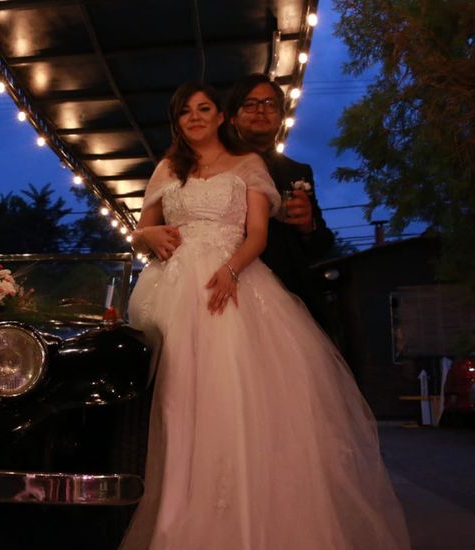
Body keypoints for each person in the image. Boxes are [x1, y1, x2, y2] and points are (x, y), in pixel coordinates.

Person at [121, 81, 409, 549]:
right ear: (177, 122)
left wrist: (231, 270)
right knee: (176, 401)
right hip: (173, 293)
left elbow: (256, 234)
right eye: (185, 112)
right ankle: (176, 510)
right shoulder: (166, 169)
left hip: (230, 284)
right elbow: (141, 229)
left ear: (220, 116)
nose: (194, 117)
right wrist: (148, 238)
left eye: (204, 108)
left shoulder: (249, 166)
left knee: (234, 396)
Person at [226, 73, 335, 330]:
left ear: (280, 116)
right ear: (232, 117)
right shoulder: (217, 169)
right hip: (233, 287)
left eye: (270, 104)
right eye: (250, 104)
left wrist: (309, 226)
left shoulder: (298, 171)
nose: (261, 110)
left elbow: (323, 245)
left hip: (291, 294)